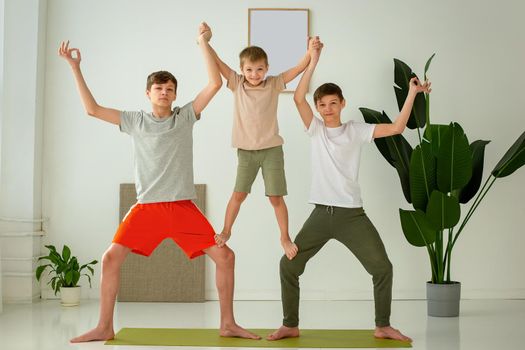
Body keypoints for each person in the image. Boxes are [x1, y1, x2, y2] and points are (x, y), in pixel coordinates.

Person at [59, 23, 261, 343]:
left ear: (175, 94)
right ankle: (104, 326)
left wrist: (203, 43)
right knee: (111, 258)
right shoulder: (134, 121)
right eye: (158, 89)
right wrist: (74, 68)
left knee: (226, 257)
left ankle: (227, 323)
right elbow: (92, 109)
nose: (164, 93)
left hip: (181, 206)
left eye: (169, 89)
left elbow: (215, 82)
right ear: (148, 93)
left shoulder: (185, 116)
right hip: (147, 208)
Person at [268, 37, 431, 342]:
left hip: (352, 216)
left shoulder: (356, 130)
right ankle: (290, 324)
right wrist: (313, 60)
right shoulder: (315, 130)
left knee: (382, 268)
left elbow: (396, 128)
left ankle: (382, 325)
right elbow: (297, 98)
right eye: (322, 104)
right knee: (288, 266)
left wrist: (411, 93)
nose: (327, 108)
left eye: (333, 103)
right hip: (321, 214)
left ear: (342, 104)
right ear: (318, 108)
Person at [210, 40, 313, 260]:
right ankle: (227, 230)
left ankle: (284, 237)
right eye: (249, 69)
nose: (254, 74)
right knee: (239, 194)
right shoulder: (237, 84)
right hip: (246, 152)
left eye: (259, 69)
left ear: (267, 68)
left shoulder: (273, 84)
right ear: (241, 70)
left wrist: (311, 50)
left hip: (272, 150)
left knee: (276, 197)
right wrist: (204, 41)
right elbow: (217, 62)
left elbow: (298, 68)